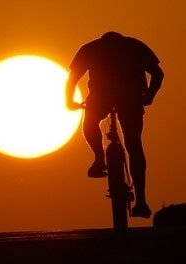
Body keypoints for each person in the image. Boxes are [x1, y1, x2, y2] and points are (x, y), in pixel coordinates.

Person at [65, 31, 164, 218]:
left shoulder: (91, 48)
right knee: (134, 145)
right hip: (131, 98)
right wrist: (149, 96)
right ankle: (141, 201)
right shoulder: (135, 46)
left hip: (101, 98)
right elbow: (158, 74)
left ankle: (99, 159)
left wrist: (69, 101)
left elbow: (72, 79)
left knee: (90, 123)